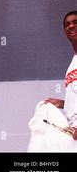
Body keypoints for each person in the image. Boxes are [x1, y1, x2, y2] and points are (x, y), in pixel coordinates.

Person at [28, 11, 77, 151]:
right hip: (72, 132)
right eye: (67, 24)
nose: (71, 26)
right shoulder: (72, 65)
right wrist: (63, 103)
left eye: (75, 22)